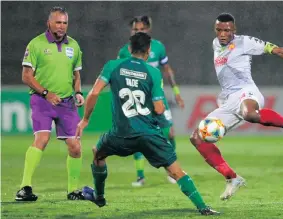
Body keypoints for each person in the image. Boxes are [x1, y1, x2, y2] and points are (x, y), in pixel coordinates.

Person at [189, 13, 283, 201]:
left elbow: (278, 50)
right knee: (197, 137)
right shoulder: (215, 44)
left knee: (250, 114)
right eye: (219, 30)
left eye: (227, 30)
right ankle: (232, 178)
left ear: (234, 30)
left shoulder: (245, 42)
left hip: (247, 91)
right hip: (229, 99)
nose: (222, 34)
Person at [76, 32, 219, 215]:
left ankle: (100, 197)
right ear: (149, 50)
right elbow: (159, 108)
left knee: (98, 154)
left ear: (129, 48)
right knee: (175, 171)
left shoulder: (112, 66)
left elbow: (94, 93)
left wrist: (85, 120)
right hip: (149, 134)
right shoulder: (152, 72)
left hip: (121, 134)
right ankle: (203, 208)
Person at [16, 6, 85, 201]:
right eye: (58, 22)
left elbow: (76, 74)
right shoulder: (36, 44)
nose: (62, 26)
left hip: (67, 103)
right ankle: (24, 188)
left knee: (75, 147)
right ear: (49, 23)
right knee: (42, 139)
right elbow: (26, 76)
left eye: (64, 22)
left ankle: (73, 191)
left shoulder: (74, 46)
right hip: (42, 101)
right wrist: (46, 93)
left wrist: (78, 92)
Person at [117, 15, 184, 186]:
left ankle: (171, 171)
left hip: (158, 97)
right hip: (137, 100)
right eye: (135, 29)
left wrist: (176, 91)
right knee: (138, 137)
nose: (138, 32)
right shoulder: (125, 51)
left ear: (148, 30)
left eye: (141, 29)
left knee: (169, 133)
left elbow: (167, 70)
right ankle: (140, 176)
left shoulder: (158, 47)